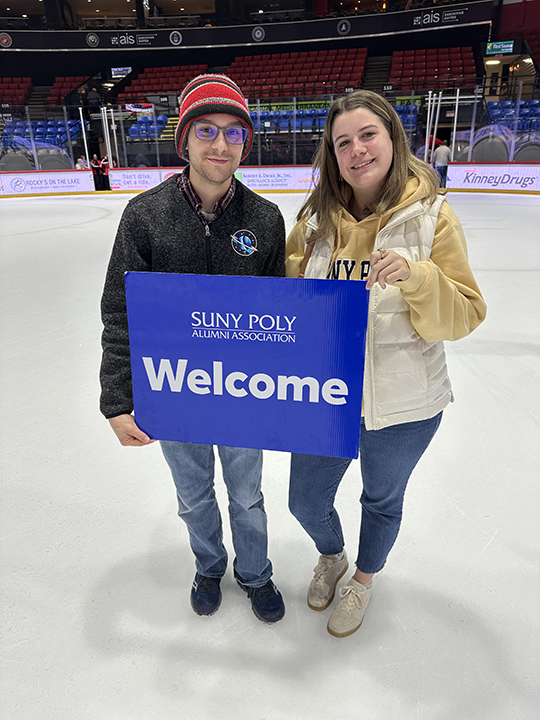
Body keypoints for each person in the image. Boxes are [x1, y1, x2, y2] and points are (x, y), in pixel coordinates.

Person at [285, 90, 486, 638]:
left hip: (405, 402)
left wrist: (417, 277)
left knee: (381, 499)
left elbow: (467, 313)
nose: (357, 150)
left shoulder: (434, 218)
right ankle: (332, 556)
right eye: (342, 142)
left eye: (367, 134)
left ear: (393, 137)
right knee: (303, 499)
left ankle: (363, 581)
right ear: (331, 155)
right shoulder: (311, 226)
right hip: (328, 398)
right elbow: (286, 315)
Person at [100, 74, 287, 624]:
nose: (219, 144)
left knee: (247, 495)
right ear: (185, 139)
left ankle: (255, 574)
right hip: (173, 391)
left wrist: (282, 387)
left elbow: (280, 317)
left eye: (233, 133)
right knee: (194, 494)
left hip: (240, 393)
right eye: (206, 130)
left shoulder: (265, 220)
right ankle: (209, 565)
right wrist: (117, 399)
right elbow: (120, 310)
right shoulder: (144, 214)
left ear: (245, 144)